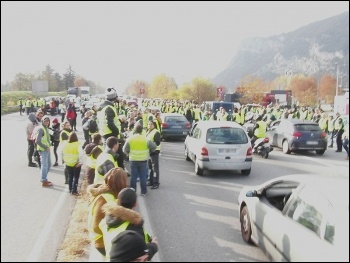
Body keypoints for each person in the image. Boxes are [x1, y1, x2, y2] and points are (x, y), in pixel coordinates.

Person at [101, 187, 156, 261]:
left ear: (117, 201)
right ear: (135, 204)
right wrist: (153, 246)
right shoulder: (133, 228)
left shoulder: (107, 220)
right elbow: (140, 253)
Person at [87, 167, 128, 261]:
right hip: (102, 242)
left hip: (98, 239)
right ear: (120, 183)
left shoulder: (105, 194)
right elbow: (96, 226)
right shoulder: (107, 199)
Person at [123, 122, 157, 196]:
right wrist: (149, 151)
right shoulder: (146, 139)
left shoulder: (130, 139)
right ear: (142, 131)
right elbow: (154, 146)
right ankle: (143, 192)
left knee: (134, 176)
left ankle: (133, 191)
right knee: (143, 177)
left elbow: (124, 149)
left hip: (133, 160)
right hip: (143, 160)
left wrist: (128, 154)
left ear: (134, 130)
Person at [97, 87, 125, 169]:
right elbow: (109, 123)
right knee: (117, 157)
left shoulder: (102, 106)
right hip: (111, 135)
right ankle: (118, 174)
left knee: (110, 156)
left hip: (105, 134)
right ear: (114, 97)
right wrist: (116, 132)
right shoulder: (109, 108)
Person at [35, 115, 53, 187]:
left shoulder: (46, 128)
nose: (47, 122)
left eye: (48, 121)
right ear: (42, 121)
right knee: (45, 165)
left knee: (48, 164)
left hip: (47, 149)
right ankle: (44, 180)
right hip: (43, 150)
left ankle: (43, 178)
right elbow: (37, 141)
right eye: (45, 121)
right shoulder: (41, 129)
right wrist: (46, 147)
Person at [146, 121, 161, 189]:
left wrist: (150, 146)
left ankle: (156, 183)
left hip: (154, 151)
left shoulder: (156, 132)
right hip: (149, 152)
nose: (150, 125)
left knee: (155, 168)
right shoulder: (148, 132)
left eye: (151, 124)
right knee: (150, 167)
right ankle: (150, 181)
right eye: (149, 124)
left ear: (154, 125)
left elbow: (157, 142)